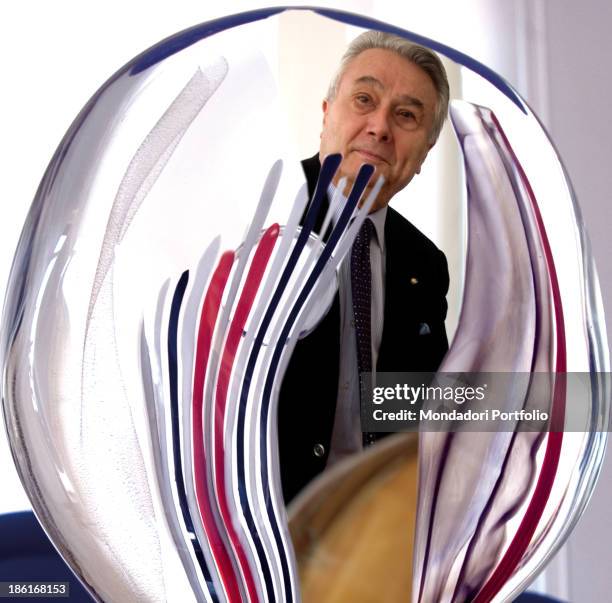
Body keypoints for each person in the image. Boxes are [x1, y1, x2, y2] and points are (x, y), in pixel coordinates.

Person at [278, 30, 450, 503]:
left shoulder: (424, 262)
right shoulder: (257, 216)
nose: (380, 126)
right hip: (252, 540)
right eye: (363, 99)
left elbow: (416, 410)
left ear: (424, 153)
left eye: (406, 114)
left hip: (366, 539)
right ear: (326, 112)